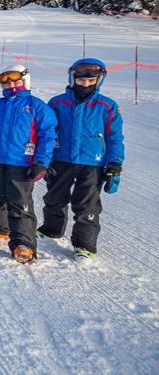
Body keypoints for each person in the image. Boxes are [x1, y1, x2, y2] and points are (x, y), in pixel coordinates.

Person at [38, 58, 125, 262]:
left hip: (92, 162)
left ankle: (84, 244)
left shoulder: (107, 106)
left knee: (86, 204)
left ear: (98, 80)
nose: (85, 85)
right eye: (80, 81)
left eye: (91, 81)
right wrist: (44, 159)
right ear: (72, 78)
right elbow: (48, 132)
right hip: (61, 159)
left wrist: (115, 164)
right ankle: (52, 229)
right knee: (54, 197)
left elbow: (114, 137)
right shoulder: (58, 102)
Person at [0, 64, 57, 264]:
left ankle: (23, 242)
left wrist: (41, 162)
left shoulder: (36, 105)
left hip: (21, 162)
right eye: (6, 81)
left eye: (14, 80)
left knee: (19, 201)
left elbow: (47, 135)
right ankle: (0, 228)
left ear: (25, 80)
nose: (10, 84)